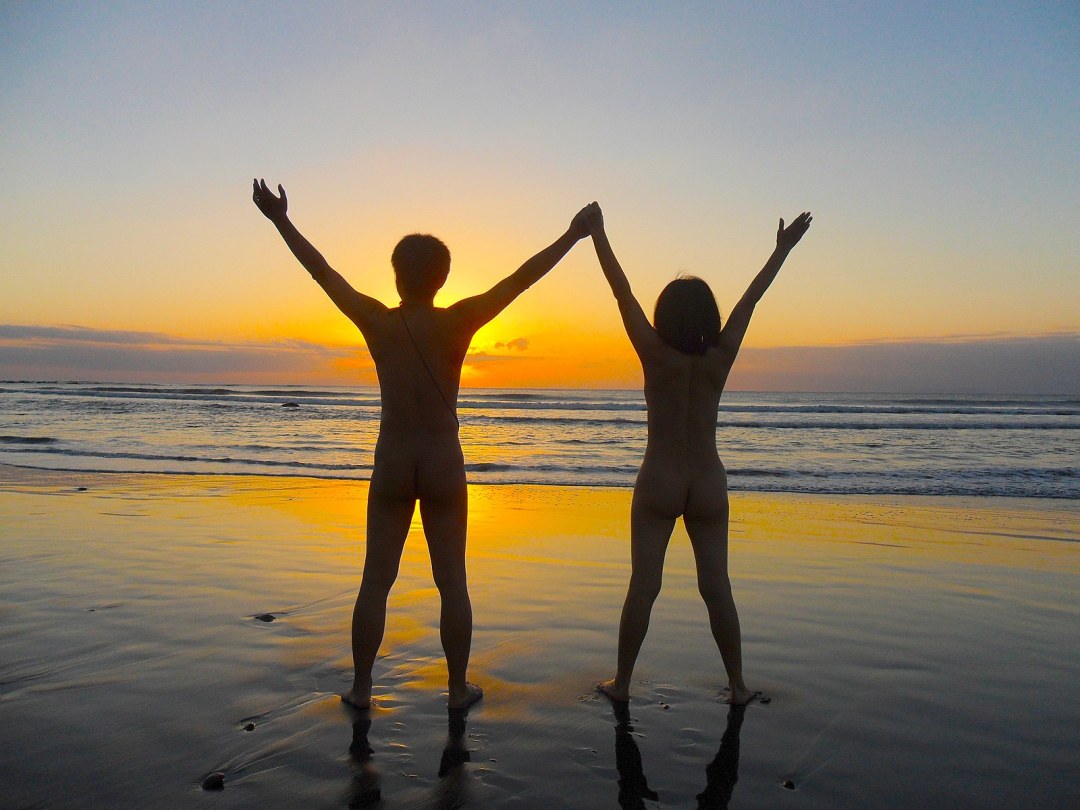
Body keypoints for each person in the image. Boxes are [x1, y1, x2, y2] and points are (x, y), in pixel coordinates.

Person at [253, 179, 596, 709]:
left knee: (376, 581)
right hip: (441, 461)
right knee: (451, 583)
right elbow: (520, 280)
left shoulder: (376, 320)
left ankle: (362, 689)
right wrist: (573, 235)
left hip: (392, 460)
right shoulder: (458, 322)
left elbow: (322, 273)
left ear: (395, 275)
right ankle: (457, 689)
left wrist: (280, 221)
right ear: (443, 278)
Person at [588, 204, 812, 705]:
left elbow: (621, 292)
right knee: (718, 590)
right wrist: (781, 252)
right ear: (709, 318)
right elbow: (749, 302)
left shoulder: (653, 353)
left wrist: (599, 234)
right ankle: (736, 686)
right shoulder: (720, 357)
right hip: (708, 482)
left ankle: (621, 684)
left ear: (664, 316)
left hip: (659, 481)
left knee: (643, 587)